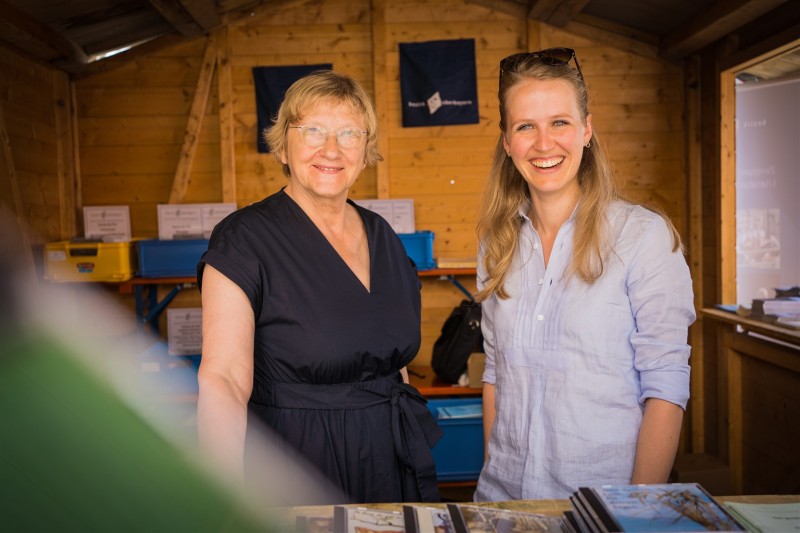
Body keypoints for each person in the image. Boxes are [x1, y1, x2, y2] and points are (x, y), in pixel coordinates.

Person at [196, 70, 441, 504]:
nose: (331, 149)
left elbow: (391, 361)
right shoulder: (244, 237)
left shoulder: (383, 235)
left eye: (349, 133)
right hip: (296, 464)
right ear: (284, 145)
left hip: (389, 459)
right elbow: (224, 380)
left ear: (365, 151)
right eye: (313, 131)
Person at [473, 48, 696, 500]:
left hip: (603, 504)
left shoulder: (643, 237)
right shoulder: (495, 243)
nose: (543, 143)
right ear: (506, 141)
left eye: (560, 122)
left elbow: (666, 388)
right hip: (505, 502)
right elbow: (496, 376)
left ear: (586, 130)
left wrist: (634, 510)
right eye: (525, 127)